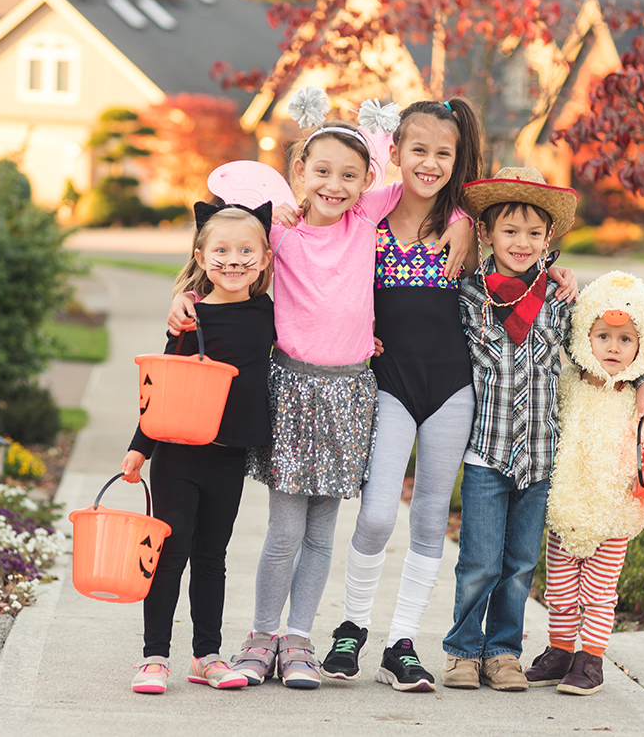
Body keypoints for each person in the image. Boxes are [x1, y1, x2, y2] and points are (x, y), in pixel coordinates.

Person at [166, 100, 472, 690]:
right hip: (293, 390)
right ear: (301, 169)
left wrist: (460, 217)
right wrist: (184, 293)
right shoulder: (278, 230)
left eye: (350, 175)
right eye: (323, 171)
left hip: (351, 394)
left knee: (321, 533)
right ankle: (262, 636)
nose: (336, 185)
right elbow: (223, 252)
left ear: (367, 181)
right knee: (284, 530)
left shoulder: (366, 218)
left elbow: (423, 189)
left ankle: (300, 639)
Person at [318, 100, 578, 693]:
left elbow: (522, 265)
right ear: (395, 153)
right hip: (389, 384)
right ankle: (352, 627)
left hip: (452, 389)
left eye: (444, 153)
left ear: (457, 159)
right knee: (381, 511)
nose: (430, 163)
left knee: (432, 517)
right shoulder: (367, 215)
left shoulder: (465, 228)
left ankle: (401, 644)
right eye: (419, 150)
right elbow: (311, 224)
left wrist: (562, 275)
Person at [441, 167, 644, 692]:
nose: (522, 242)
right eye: (510, 231)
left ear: (549, 239)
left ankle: (503, 654)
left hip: (541, 456)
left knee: (519, 565)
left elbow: (604, 348)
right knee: (477, 561)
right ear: (487, 233)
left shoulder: (562, 300)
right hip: (487, 454)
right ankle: (462, 652)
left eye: (534, 233)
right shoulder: (468, 294)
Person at [122, 203, 276, 695]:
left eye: (245, 250)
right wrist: (139, 448)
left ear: (266, 256)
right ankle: (154, 658)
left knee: (212, 555)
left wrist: (366, 341)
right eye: (222, 250)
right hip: (179, 452)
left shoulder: (270, 311)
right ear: (201, 255)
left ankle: (206, 655)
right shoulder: (190, 317)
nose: (233, 260)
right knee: (171, 551)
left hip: (229, 454)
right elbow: (163, 387)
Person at [525, 271, 644, 696]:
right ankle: (559, 650)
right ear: (585, 334)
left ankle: (590, 660)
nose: (613, 347)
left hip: (613, 515)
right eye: (604, 335)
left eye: (626, 339)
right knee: (559, 587)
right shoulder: (566, 383)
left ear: (642, 346)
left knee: (598, 591)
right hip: (567, 510)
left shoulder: (639, 398)